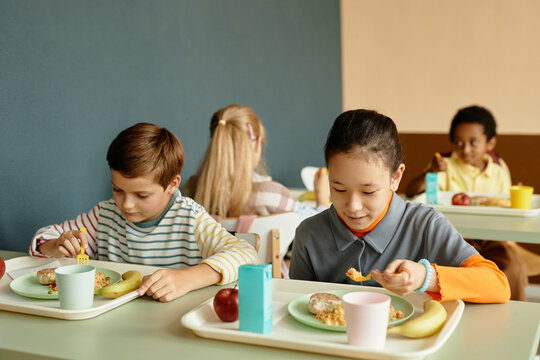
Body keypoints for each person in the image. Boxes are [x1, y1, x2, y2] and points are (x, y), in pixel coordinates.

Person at [289, 109, 510, 303]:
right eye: (338, 188)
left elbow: (498, 285)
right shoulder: (309, 234)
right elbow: (297, 305)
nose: (353, 206)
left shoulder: (424, 225)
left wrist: (425, 277)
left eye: (368, 191)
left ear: (396, 177)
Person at [29, 123, 259, 302]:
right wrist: (53, 245)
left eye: (141, 195)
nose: (126, 204)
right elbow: (46, 236)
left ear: (172, 184)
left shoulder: (189, 218)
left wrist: (187, 279)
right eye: (117, 189)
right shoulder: (104, 215)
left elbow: (246, 254)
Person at [405, 105, 528, 300]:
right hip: (454, 238)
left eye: (473, 142)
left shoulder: (497, 171)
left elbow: (505, 208)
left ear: (490, 143)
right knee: (446, 274)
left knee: (512, 268)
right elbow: (411, 192)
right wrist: (430, 173)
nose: (465, 149)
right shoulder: (443, 165)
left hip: (491, 240)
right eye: (459, 143)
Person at [183, 104, 330, 220]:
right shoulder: (272, 196)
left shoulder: (190, 191)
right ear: (257, 143)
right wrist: (322, 199)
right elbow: (319, 227)